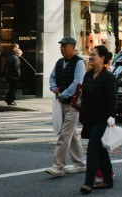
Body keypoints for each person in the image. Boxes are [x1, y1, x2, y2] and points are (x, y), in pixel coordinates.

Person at [79, 45, 117, 194]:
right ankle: (108, 179)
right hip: (90, 118)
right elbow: (85, 98)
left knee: (93, 149)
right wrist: (82, 116)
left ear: (102, 58)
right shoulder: (88, 75)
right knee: (100, 150)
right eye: (90, 54)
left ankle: (88, 182)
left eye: (94, 55)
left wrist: (111, 118)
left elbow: (113, 100)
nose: (91, 57)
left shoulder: (108, 77)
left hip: (103, 119)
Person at [46, 36, 86, 176]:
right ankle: (80, 163)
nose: (62, 48)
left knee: (65, 134)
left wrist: (63, 93)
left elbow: (78, 83)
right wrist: (54, 87)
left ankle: (58, 166)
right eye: (61, 46)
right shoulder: (59, 62)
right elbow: (52, 77)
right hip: (61, 103)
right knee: (71, 133)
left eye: (65, 46)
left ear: (73, 47)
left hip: (74, 104)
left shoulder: (79, 62)